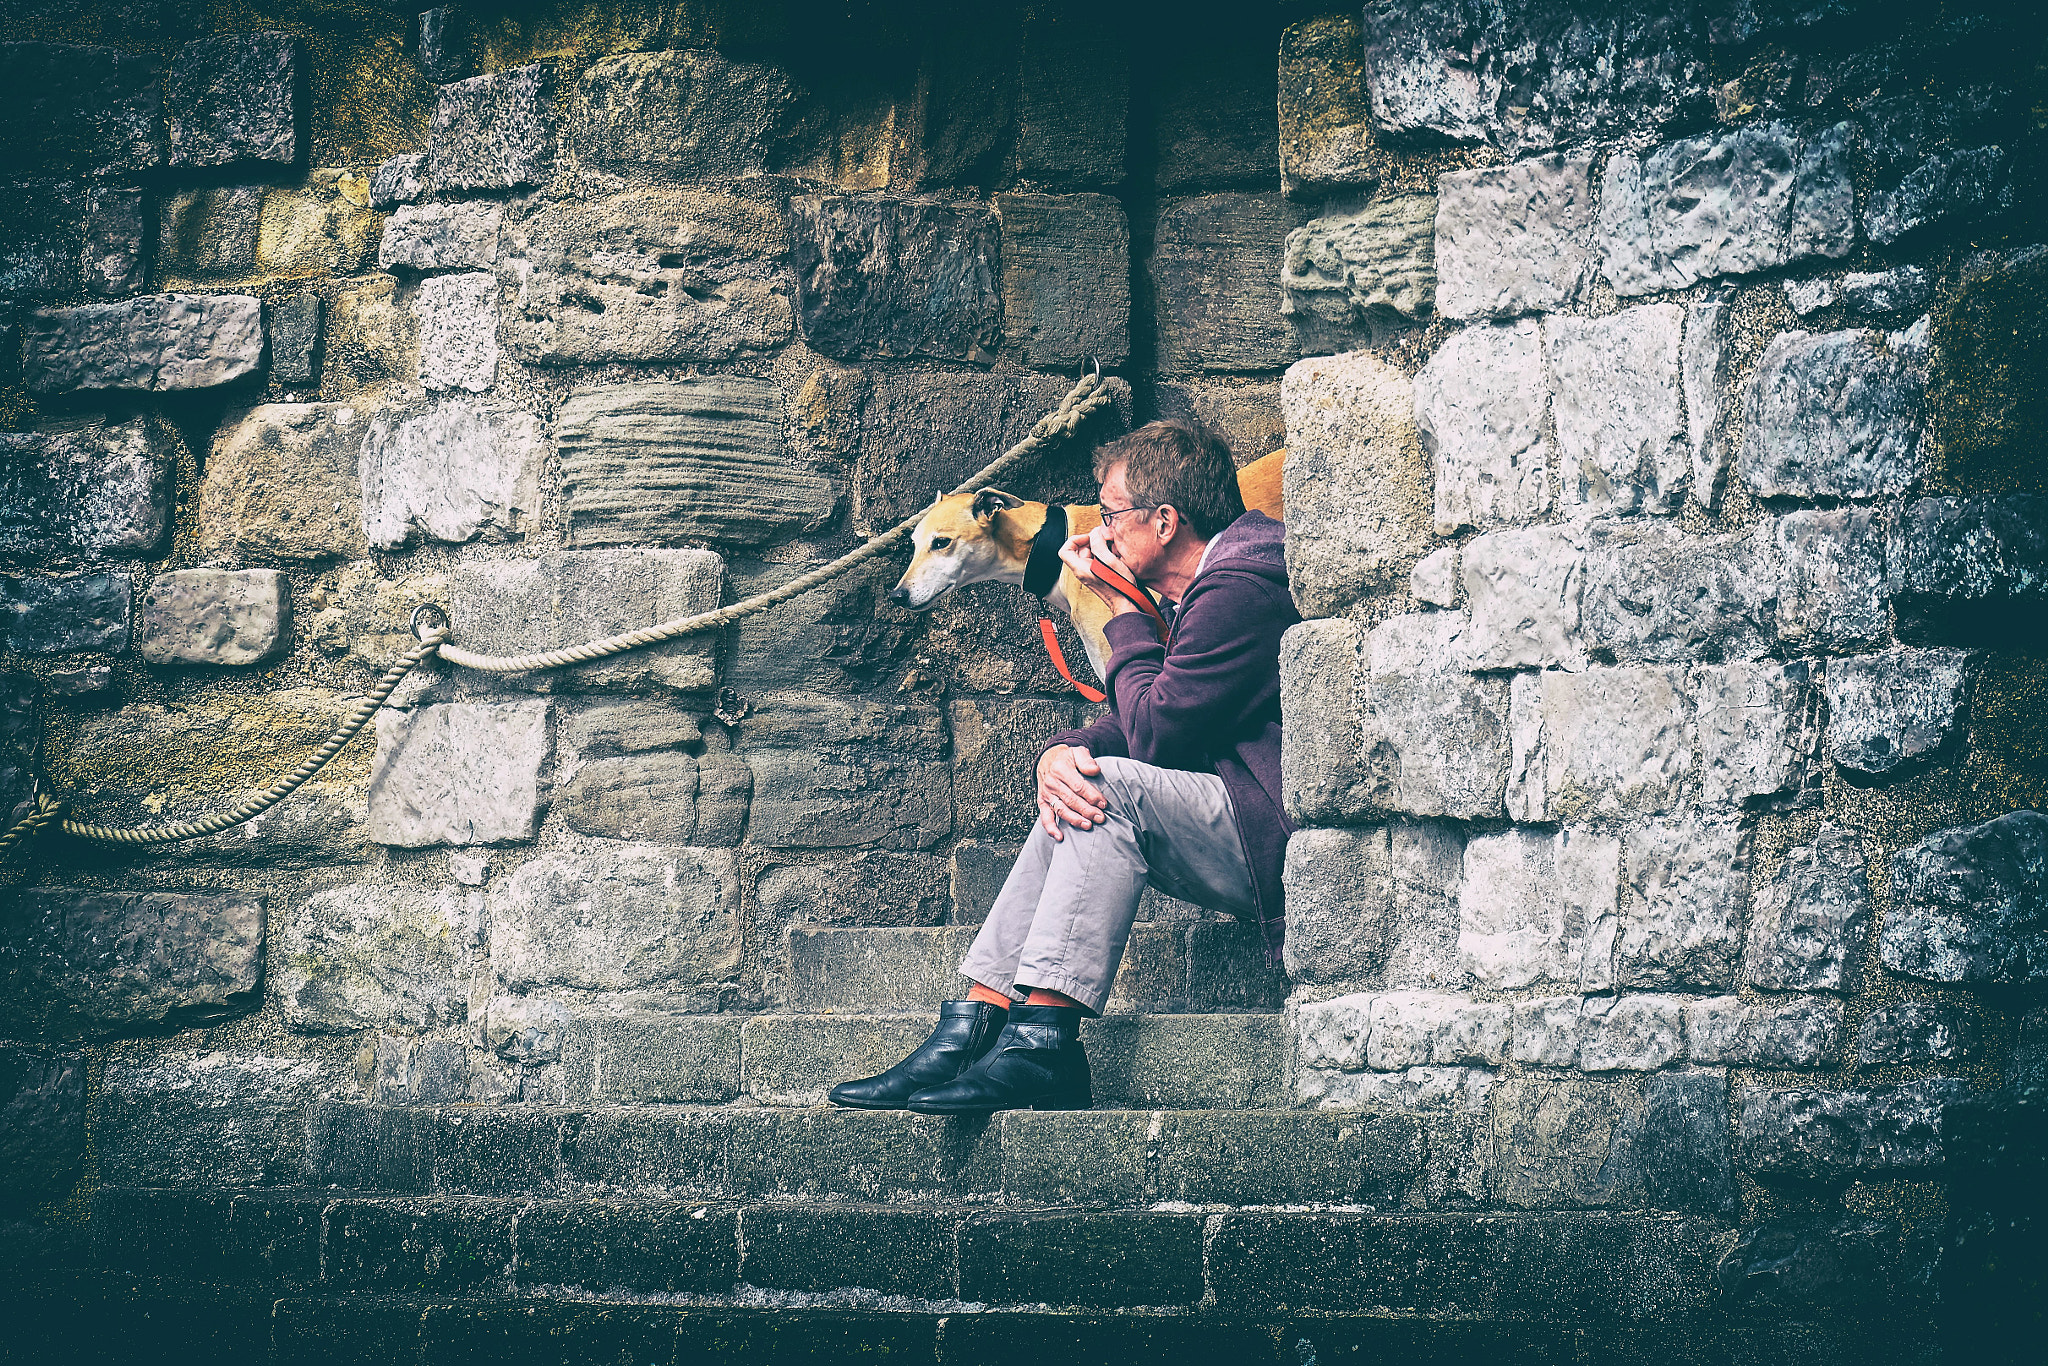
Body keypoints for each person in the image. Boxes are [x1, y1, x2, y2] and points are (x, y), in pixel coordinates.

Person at [829, 420, 1299, 1114]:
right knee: (1079, 774)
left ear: (1164, 522)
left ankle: (1042, 1042)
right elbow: (1160, 711)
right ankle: (978, 1026)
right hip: (1233, 808)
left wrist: (1118, 609)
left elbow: (1160, 731)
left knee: (1102, 789)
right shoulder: (1205, 583)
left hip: (1271, 832)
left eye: (1110, 516)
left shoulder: (1238, 586)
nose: (1095, 534)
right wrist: (1059, 750)